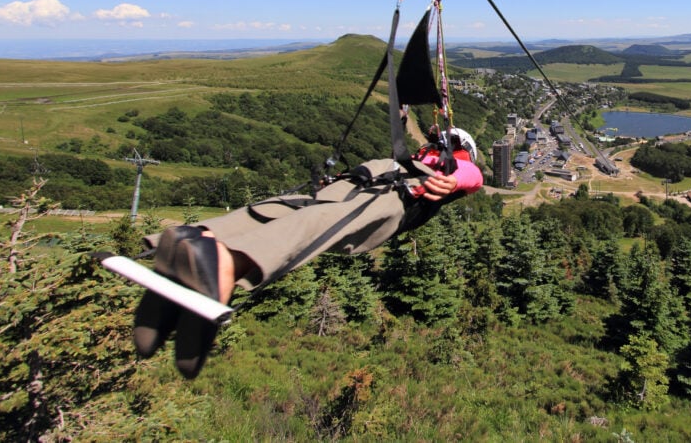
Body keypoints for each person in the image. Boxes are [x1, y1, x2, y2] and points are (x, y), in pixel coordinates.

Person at [133, 127, 483, 378]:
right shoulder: (446, 162)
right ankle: (226, 262)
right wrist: (451, 177)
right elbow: (471, 175)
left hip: (377, 176)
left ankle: (197, 238)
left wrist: (447, 173)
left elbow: (467, 174)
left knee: (290, 207)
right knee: (320, 223)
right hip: (397, 190)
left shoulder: (437, 158)